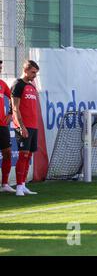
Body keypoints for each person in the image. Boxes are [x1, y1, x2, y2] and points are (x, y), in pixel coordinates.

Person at [11, 60, 40, 196]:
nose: (35, 75)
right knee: (23, 155)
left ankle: (23, 185)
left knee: (28, 156)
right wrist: (21, 126)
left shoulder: (32, 87)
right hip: (23, 126)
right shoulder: (18, 84)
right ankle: (18, 187)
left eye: (36, 73)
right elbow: (15, 108)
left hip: (33, 125)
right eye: (33, 72)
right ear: (26, 70)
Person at [0, 60, 14, 193]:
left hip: (2, 126)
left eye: (0, 68)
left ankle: (5, 184)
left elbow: (12, 98)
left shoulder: (2, 84)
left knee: (8, 153)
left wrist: (10, 113)